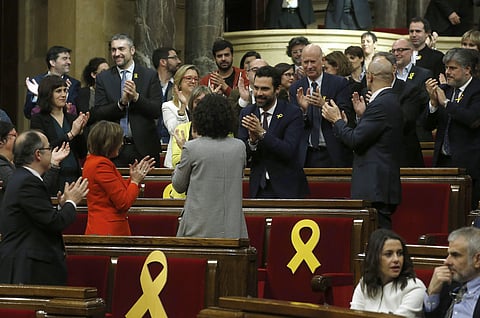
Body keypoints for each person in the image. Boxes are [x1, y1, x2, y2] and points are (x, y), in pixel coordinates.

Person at [322, 56, 402, 229]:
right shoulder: (391, 100)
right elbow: (370, 136)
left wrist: (336, 120)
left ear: (370, 77)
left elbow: (355, 140)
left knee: (378, 240)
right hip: (380, 184)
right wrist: (362, 116)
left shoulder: (381, 103)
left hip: (375, 186)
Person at [0, 130, 88, 285]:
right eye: (49, 148)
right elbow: (54, 223)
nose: (51, 152)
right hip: (28, 268)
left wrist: (62, 206)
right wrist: (72, 202)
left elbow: (40, 220)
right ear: (38, 154)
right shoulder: (27, 182)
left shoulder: (23, 178)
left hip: (27, 264)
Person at [173, 94, 247, 238]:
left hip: (198, 227)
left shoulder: (191, 148)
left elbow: (178, 185)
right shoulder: (239, 147)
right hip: (233, 228)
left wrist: (183, 152)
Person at [92, 33, 162, 167]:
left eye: (121, 49)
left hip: (144, 148)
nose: (117, 53)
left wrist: (136, 97)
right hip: (112, 147)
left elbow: (156, 110)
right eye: (113, 50)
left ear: (132, 50)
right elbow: (98, 113)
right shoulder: (104, 78)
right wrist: (121, 103)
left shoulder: (149, 75)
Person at [238, 65, 308, 199]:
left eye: (264, 89)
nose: (259, 93)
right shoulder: (247, 113)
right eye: (256, 88)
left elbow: (289, 150)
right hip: (257, 188)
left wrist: (262, 133)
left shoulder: (291, 113)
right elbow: (241, 155)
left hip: (287, 188)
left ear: (277, 89)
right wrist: (252, 142)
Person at [423, 48, 480, 210]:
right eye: (446, 68)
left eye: (452, 68)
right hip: (443, 163)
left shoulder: (477, 90)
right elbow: (426, 126)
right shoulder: (445, 90)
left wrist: (447, 103)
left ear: (467, 69)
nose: (447, 72)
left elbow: (473, 120)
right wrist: (433, 104)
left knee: (465, 212)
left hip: (470, 167)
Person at [82, 121, 155, 236]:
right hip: (108, 232)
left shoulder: (92, 161)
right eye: (119, 140)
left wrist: (133, 178)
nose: (121, 144)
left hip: (102, 228)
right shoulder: (101, 165)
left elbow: (115, 192)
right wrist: (135, 181)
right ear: (109, 144)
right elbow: (123, 202)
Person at [289, 44, 353, 168]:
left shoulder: (339, 83)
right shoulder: (296, 88)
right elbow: (293, 125)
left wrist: (323, 105)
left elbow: (346, 116)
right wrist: (303, 111)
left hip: (332, 152)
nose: (309, 66)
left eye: (313, 61)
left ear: (322, 60)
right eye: (305, 62)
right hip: (305, 154)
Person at [30, 75, 89, 193]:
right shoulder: (38, 119)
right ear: (48, 94)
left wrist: (81, 132)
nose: (63, 95)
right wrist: (71, 134)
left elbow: (82, 153)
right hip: (52, 176)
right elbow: (43, 149)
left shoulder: (73, 118)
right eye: (58, 91)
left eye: (65, 91)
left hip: (73, 176)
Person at [351, 229, 425, 317]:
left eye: (400, 253)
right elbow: (354, 315)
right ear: (375, 258)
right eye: (388, 254)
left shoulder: (414, 287)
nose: (396, 259)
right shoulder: (365, 283)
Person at [0, 121, 70, 204]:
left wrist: (54, 163)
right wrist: (53, 165)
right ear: (1, 142)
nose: (18, 138)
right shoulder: (1, 166)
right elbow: (35, 192)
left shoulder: (15, 163)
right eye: (14, 135)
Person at [424, 226, 480, 317]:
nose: (446, 261)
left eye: (455, 255)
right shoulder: (448, 284)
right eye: (448, 254)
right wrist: (432, 292)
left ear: (477, 260)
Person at [391, 38, 434, 144]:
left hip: (416, 132)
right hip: (391, 132)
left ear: (411, 51)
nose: (396, 53)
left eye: (400, 50)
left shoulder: (424, 74)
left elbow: (424, 102)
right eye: (393, 51)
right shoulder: (387, 75)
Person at [24, 45, 80, 119]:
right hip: (42, 126)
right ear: (52, 62)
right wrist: (37, 95)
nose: (69, 62)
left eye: (69, 59)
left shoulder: (74, 83)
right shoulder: (36, 82)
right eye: (64, 59)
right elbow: (28, 113)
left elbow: (74, 113)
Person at [162, 64, 200, 168]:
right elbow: (175, 131)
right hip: (176, 160)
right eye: (189, 78)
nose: (193, 81)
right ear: (179, 83)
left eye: (196, 79)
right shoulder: (168, 106)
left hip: (199, 158)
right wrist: (183, 107)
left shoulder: (202, 104)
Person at [172, 85, 212, 168]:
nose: (201, 105)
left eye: (204, 101)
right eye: (197, 102)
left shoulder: (220, 129)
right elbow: (175, 162)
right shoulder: (181, 129)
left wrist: (188, 149)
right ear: (191, 104)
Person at [152, 47, 182, 144]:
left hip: (173, 140)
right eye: (174, 58)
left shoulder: (179, 86)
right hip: (151, 141)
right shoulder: (149, 85)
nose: (179, 61)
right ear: (163, 62)